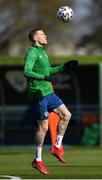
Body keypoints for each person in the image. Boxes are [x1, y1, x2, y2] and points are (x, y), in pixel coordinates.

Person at [24, 28, 78, 175]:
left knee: (66, 115)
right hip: (38, 93)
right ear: (35, 38)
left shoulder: (43, 52)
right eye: (42, 34)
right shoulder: (32, 52)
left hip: (48, 92)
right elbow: (27, 71)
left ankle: (56, 146)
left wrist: (64, 66)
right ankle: (38, 160)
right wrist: (44, 78)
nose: (45, 35)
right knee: (43, 129)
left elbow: (49, 70)